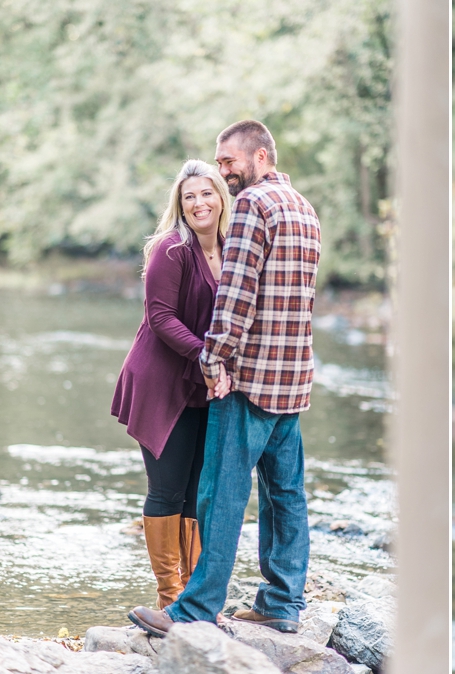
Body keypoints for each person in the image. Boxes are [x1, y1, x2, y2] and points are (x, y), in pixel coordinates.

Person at [128, 119, 322, 636]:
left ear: (260, 157)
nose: (223, 171)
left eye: (228, 162)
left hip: (250, 381)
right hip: (293, 382)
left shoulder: (255, 207)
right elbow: (300, 301)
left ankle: (194, 608)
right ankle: (282, 603)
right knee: (286, 497)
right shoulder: (304, 208)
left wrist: (215, 363)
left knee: (220, 495)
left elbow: (236, 298)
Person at [111, 159, 229, 609]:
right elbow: (160, 317)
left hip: (203, 383)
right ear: (180, 205)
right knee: (167, 489)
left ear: (221, 195)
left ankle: (193, 596)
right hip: (163, 381)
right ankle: (169, 597)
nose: (199, 203)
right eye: (189, 196)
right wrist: (209, 357)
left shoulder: (231, 246)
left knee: (200, 488)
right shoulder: (171, 248)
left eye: (206, 193)